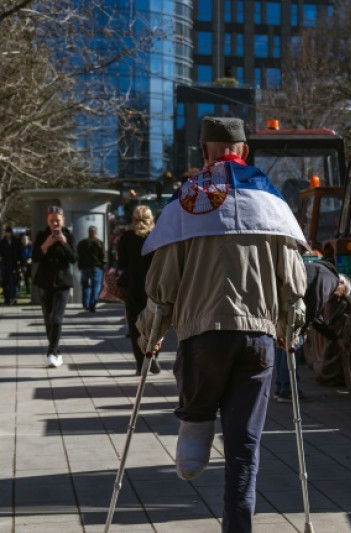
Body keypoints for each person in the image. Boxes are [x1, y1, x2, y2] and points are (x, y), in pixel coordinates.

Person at [136, 116, 308, 533]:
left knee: (197, 413)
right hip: (259, 339)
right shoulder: (271, 203)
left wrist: (150, 334)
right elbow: (293, 280)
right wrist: (292, 327)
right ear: (244, 151)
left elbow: (163, 285)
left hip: (203, 337)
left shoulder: (186, 202)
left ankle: (194, 429)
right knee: (244, 451)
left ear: (204, 151)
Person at [272, 259, 351, 403]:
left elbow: (314, 315)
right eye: (342, 293)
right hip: (292, 302)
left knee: (283, 344)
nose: (337, 298)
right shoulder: (330, 279)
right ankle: (288, 390)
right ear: (341, 283)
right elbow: (314, 303)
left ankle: (281, 388)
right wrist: (302, 330)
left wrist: (335, 338)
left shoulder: (320, 271)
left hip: (283, 298)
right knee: (293, 345)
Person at [33, 206, 76, 368]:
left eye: (57, 220)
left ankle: (51, 352)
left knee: (56, 318)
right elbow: (35, 257)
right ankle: (56, 351)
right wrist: (46, 244)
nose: (55, 224)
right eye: (52, 221)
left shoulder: (68, 236)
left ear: (63, 220)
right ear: (47, 221)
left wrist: (64, 243)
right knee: (48, 320)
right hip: (44, 282)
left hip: (63, 283)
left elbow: (74, 258)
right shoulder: (41, 235)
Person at [116, 207, 157, 375]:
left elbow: (121, 263)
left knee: (135, 326)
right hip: (154, 286)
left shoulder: (126, 237)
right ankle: (152, 354)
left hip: (132, 286)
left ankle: (141, 363)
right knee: (155, 323)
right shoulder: (157, 236)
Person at [77, 225, 106, 312]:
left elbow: (79, 255)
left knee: (85, 286)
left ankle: (85, 304)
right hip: (95, 267)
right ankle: (92, 304)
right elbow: (103, 256)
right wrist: (103, 266)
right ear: (95, 232)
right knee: (95, 286)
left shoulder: (82, 243)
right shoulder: (99, 243)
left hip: (84, 267)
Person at [0, 227, 21, 304]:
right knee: (5, 282)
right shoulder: (2, 242)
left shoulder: (16, 241)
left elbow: (19, 253)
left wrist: (20, 263)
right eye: (7, 232)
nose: (8, 234)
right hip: (4, 265)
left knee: (12, 282)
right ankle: (6, 299)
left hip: (13, 265)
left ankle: (13, 298)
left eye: (9, 232)